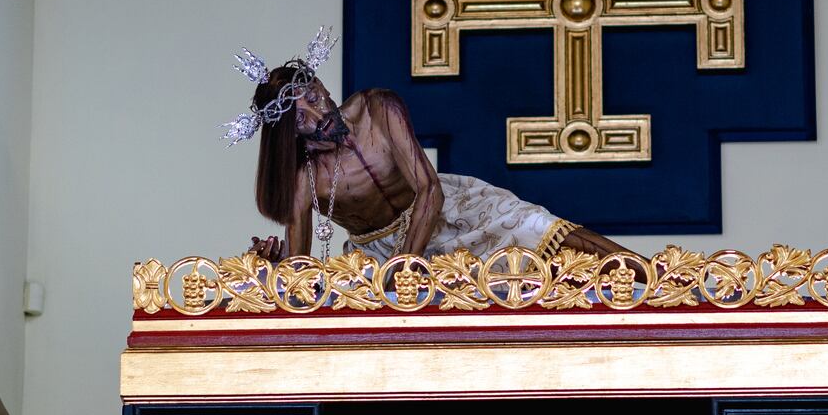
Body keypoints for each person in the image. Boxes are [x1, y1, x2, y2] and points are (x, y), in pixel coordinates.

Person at [223, 30, 621, 264]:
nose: (315, 109)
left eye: (311, 93)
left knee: (541, 228)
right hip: (377, 254)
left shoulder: (378, 109)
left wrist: (406, 265)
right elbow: (301, 266)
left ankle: (662, 277)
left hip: (446, 210)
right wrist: (277, 264)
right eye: (298, 116)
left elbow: (430, 189)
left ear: (321, 84)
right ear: (287, 133)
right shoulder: (303, 178)